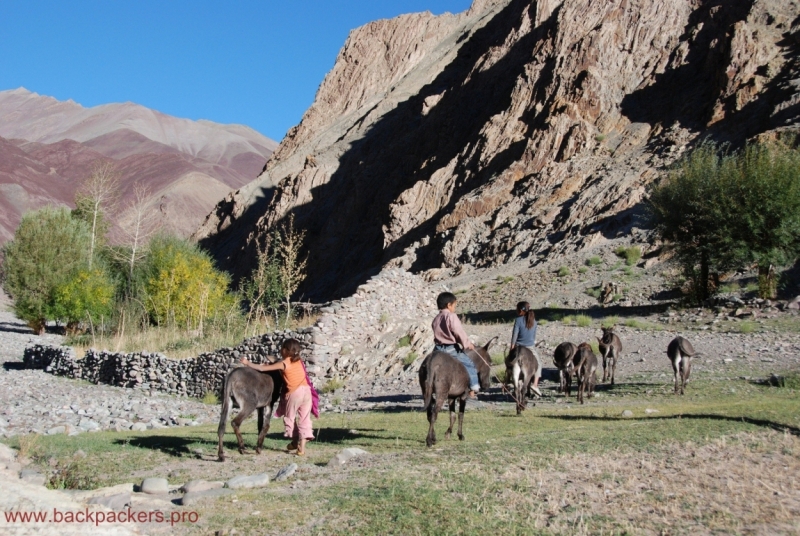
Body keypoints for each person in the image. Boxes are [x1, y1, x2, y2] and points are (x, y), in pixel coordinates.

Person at [240, 338, 318, 456]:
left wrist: (247, 363)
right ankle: (301, 448)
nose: (280, 350)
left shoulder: (284, 363)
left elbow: (261, 369)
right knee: (304, 419)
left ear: (286, 350)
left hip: (295, 393)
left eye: (282, 348)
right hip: (307, 392)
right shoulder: (298, 361)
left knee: (290, 418)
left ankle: (295, 440)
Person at [432, 291, 481, 397]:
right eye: (454, 305)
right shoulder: (451, 316)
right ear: (449, 305)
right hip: (451, 348)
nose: (454, 308)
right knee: (469, 364)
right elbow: (457, 331)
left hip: (437, 349)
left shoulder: (436, 319)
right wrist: (467, 344)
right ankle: (474, 387)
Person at [510, 301, 542, 396]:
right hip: (530, 347)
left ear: (520, 310)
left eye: (517, 309)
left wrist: (512, 347)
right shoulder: (534, 321)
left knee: (509, 363)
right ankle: (535, 384)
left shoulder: (518, 320)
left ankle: (508, 380)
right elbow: (533, 337)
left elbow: (514, 336)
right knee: (539, 364)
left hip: (518, 346)